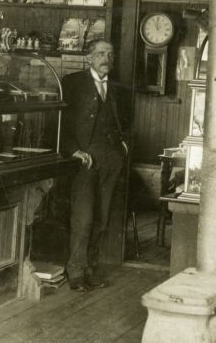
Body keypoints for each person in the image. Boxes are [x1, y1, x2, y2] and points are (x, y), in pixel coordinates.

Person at [61, 39, 128, 292]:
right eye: (100, 54)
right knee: (84, 218)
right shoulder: (73, 83)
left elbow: (126, 123)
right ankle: (75, 270)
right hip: (85, 160)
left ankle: (90, 268)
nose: (106, 59)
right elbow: (59, 122)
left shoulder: (118, 88)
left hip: (111, 159)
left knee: (102, 218)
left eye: (110, 54)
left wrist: (123, 149)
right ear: (89, 57)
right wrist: (73, 151)